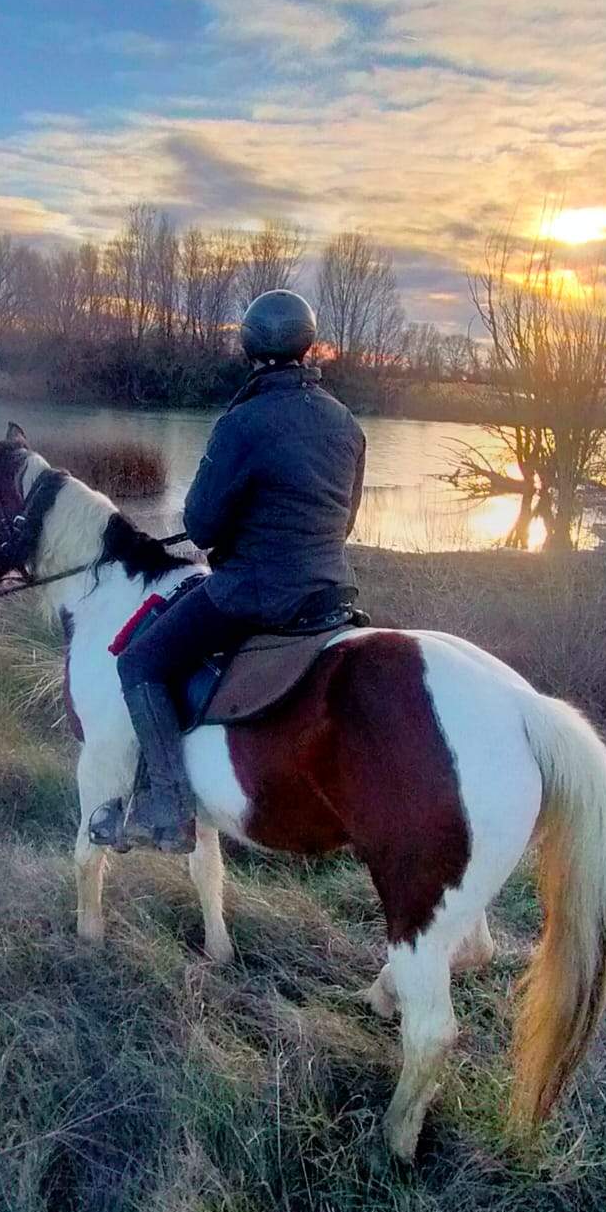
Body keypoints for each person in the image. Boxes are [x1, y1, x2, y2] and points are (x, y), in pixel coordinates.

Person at [91, 289, 367, 856]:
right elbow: (345, 522)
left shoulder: (242, 422)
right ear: (307, 344)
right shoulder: (346, 424)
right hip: (334, 593)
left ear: (248, 347)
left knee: (140, 660)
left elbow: (201, 525)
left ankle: (166, 808)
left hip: (256, 594)